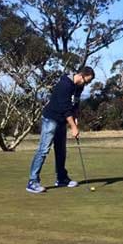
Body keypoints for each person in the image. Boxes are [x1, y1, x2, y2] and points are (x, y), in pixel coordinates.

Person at [26, 66, 95, 194]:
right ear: (81, 76)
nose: (86, 84)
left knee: (61, 150)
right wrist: (73, 127)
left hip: (62, 120)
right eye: (87, 81)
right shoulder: (64, 85)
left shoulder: (79, 87)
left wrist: (75, 118)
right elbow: (65, 109)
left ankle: (61, 178)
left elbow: (75, 104)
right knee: (43, 150)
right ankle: (32, 182)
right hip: (51, 118)